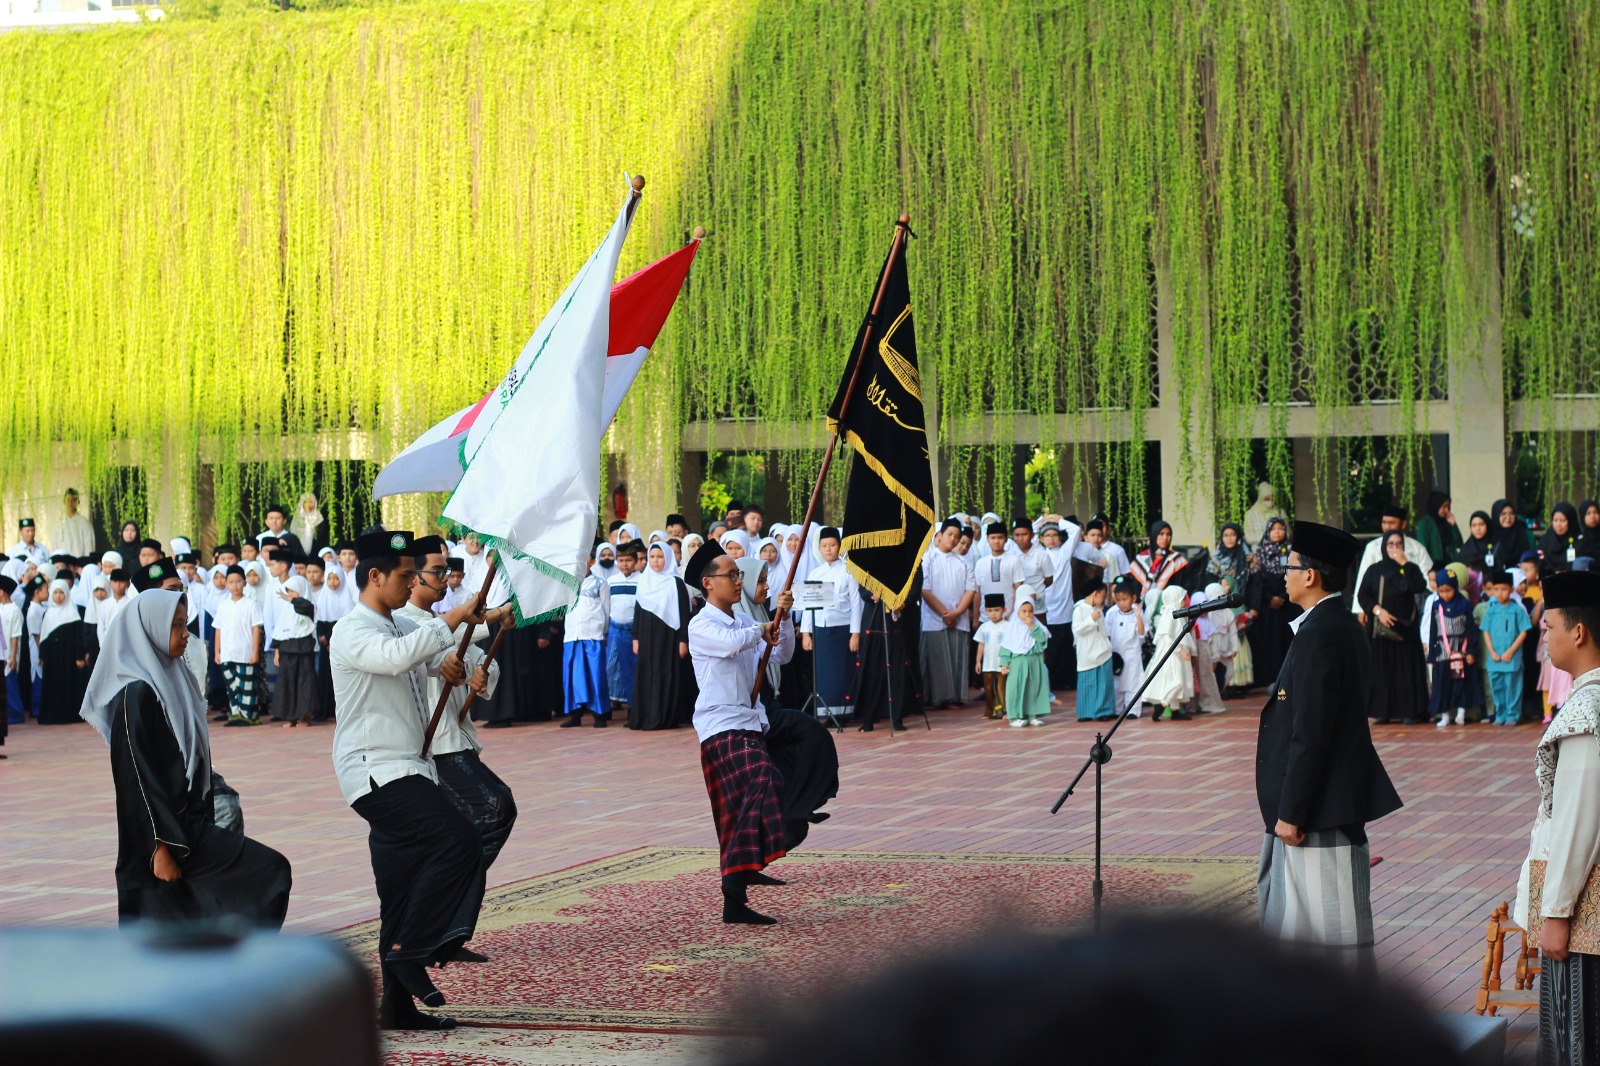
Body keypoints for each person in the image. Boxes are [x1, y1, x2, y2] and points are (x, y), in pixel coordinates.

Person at [329, 528, 487, 1030]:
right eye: (404, 576)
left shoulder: (399, 624)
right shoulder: (352, 629)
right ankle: (411, 949)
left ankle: (396, 1006)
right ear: (375, 576)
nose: (411, 583)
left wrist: (456, 661)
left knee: (401, 885)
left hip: (411, 765)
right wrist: (454, 618)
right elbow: (395, 658)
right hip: (377, 770)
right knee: (459, 839)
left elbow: (429, 657)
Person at [79, 590, 291, 927]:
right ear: (150, 629)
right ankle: (245, 957)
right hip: (166, 835)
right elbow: (135, 777)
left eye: (184, 624)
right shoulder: (137, 693)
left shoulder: (172, 680)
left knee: (187, 918)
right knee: (269, 872)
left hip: (189, 823)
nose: (185, 633)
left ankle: (228, 956)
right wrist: (159, 847)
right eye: (175, 625)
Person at [1255, 520, 1402, 973]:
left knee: (1322, 936)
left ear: (1310, 575)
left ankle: (1339, 1018)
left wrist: (1292, 811)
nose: (1284, 575)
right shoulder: (1337, 624)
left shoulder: (1321, 632)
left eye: (1290, 567)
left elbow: (1312, 731)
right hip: (1328, 799)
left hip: (1317, 808)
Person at [399, 537, 509, 950]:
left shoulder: (441, 619)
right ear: (413, 577)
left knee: (474, 825)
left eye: (446, 571)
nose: (445, 579)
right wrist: (448, 661)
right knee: (493, 808)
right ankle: (438, 909)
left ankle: (446, 920)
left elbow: (477, 657)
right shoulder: (404, 623)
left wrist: (481, 674)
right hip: (432, 747)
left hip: (454, 734)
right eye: (437, 571)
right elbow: (429, 652)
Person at [683, 540, 796, 925]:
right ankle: (740, 870)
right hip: (720, 725)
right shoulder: (702, 624)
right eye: (731, 574)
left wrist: (783, 618)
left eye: (738, 574)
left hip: (748, 721)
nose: (737, 580)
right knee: (764, 778)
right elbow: (731, 645)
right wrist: (763, 627)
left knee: (734, 812)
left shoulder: (744, 621)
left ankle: (737, 891)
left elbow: (781, 654)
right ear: (708, 583)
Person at [1517, 569, 1600, 1065]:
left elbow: (1577, 821)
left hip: (1585, 912)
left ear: (1579, 631)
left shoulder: (1587, 710)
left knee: (1575, 1040)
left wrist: (1556, 914)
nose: (1544, 636)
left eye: (1549, 627)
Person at [1356, 530, 1430, 725]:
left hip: (1406, 629)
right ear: (1384, 547)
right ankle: (1383, 711)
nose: (1395, 548)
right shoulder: (1375, 570)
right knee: (1383, 671)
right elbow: (1363, 595)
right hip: (1382, 629)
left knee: (1406, 671)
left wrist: (1405, 563)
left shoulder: (1409, 567)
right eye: (1391, 544)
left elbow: (1419, 586)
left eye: (1399, 544)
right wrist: (1378, 610)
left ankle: (1410, 712)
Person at [630, 541, 691, 731]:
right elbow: (638, 611)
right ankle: (644, 717)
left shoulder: (676, 583)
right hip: (646, 636)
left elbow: (684, 614)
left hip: (669, 638)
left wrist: (683, 640)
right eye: (652, 557)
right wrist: (635, 637)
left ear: (668, 558)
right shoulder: (644, 581)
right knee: (646, 674)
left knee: (665, 674)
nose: (655, 561)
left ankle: (663, 718)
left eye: (660, 556)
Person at [799, 527, 858, 720]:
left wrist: (855, 633)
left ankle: (845, 712)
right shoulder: (816, 573)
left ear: (839, 546)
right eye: (824, 546)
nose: (828, 549)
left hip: (843, 629)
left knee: (842, 671)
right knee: (824, 672)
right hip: (821, 630)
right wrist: (806, 633)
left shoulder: (849, 571)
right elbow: (808, 605)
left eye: (832, 545)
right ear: (819, 548)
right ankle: (826, 712)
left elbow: (856, 604)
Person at [921, 519, 978, 708]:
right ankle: (938, 699)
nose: (953, 539)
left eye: (957, 536)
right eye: (949, 534)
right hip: (934, 618)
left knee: (957, 658)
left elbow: (970, 590)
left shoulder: (963, 562)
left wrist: (957, 613)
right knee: (938, 660)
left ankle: (957, 697)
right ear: (940, 535)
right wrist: (945, 614)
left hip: (958, 618)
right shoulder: (927, 559)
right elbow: (925, 590)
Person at [561, 545, 612, 728]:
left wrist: (603, 631)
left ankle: (599, 714)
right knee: (572, 676)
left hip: (593, 635)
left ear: (592, 561)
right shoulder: (567, 583)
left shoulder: (600, 583)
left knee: (595, 674)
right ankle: (575, 713)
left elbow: (606, 610)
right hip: (572, 636)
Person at [1351, 507, 1434, 620]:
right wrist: (1361, 609)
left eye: (1391, 523)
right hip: (1379, 612)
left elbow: (1428, 580)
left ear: (1403, 524)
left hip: (1411, 612)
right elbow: (1363, 580)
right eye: (1384, 522)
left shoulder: (1417, 549)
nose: (1386, 527)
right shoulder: (1373, 547)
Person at [1425, 569, 1482, 728]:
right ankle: (1445, 716)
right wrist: (1432, 655)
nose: (1445, 595)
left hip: (1460, 652)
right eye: (1441, 591)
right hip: (1443, 652)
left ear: (1455, 588)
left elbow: (1471, 629)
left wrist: (1471, 650)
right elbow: (1433, 631)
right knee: (1442, 685)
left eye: (1448, 590)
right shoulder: (1436, 606)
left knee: (1461, 684)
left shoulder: (1464, 605)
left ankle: (1460, 714)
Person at [1245, 517, 1295, 687]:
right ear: (1268, 532)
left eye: (1281, 528)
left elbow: (1294, 577)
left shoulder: (1291, 553)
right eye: (1273, 529)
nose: (1277, 532)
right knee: (1269, 642)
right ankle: (1269, 679)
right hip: (1267, 607)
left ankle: (1288, 678)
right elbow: (1256, 583)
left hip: (1287, 604)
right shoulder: (1259, 555)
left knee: (1286, 641)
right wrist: (1270, 598)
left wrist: (1283, 596)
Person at [213, 566, 264, 726]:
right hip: (227, 652)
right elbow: (218, 629)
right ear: (226, 584)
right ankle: (235, 713)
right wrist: (217, 652)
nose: (235, 585)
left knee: (246, 684)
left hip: (245, 651)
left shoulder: (251, 604)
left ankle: (249, 715)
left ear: (244, 583)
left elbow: (256, 629)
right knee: (232, 686)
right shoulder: (223, 605)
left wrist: (255, 652)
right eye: (231, 582)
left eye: (238, 581)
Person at [36, 578, 91, 724]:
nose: (58, 596)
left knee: (68, 684)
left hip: (68, 656)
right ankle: (52, 715)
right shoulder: (47, 614)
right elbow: (43, 637)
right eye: (55, 593)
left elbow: (78, 638)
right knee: (52, 685)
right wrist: (42, 656)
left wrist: (79, 656)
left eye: (61, 592)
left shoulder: (73, 613)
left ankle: (68, 715)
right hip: (52, 657)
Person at [1482, 570, 1533, 726]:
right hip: (1495, 658)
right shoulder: (1491, 610)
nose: (1499, 593)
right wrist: (1492, 652)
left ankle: (1512, 714)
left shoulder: (1517, 609)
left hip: (1512, 657)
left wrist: (1511, 651)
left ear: (1511, 590)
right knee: (1496, 686)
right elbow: (1486, 631)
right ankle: (1501, 713)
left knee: (1512, 686)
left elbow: (1524, 631)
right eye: (1496, 589)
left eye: (1504, 589)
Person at [268, 575, 320, 726]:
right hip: (287, 650)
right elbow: (280, 631)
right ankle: (291, 717)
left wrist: (292, 600)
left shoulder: (308, 606)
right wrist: (277, 651)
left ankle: (305, 717)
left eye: (293, 591)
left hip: (303, 650)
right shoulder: (286, 609)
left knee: (304, 683)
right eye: (288, 592)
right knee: (288, 683)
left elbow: (305, 607)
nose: (290, 595)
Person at [999, 591, 1050, 728]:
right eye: (1024, 611)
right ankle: (1014, 717)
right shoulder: (1012, 627)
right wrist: (1004, 664)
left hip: (1034, 661)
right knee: (1015, 688)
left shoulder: (1036, 625)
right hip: (1017, 662)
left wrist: (1032, 626)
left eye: (1030, 611)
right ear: (1017, 611)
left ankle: (1033, 715)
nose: (1027, 614)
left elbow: (1042, 639)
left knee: (1033, 688)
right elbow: (1006, 646)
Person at [1146, 585, 1195, 721]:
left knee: (1177, 679)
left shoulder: (1178, 615)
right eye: (1182, 599)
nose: (1184, 602)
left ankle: (1175, 710)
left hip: (1176, 653)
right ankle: (1162, 704)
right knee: (1177, 681)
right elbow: (1166, 637)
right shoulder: (1170, 614)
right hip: (1171, 654)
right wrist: (1180, 651)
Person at [605, 540, 641, 716]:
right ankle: (613, 701)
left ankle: (633, 707)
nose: (624, 564)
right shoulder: (611, 581)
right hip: (614, 629)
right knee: (612, 665)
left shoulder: (642, 580)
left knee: (632, 667)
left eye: (628, 560)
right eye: (621, 561)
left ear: (635, 561)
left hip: (633, 631)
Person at [1072, 579, 1115, 721]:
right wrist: (1091, 619)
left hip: (1102, 651)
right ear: (1095, 594)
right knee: (1087, 683)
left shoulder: (1098, 610)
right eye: (1102, 596)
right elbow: (1078, 629)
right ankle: (1086, 713)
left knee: (1104, 683)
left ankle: (1104, 711)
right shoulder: (1079, 609)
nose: (1104, 599)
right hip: (1087, 653)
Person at [1106, 575, 1147, 718]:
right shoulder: (1112, 614)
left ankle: (1133, 710)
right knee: (1117, 684)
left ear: (1133, 598)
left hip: (1132, 655)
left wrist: (1138, 617)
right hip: (1117, 653)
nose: (1122, 603)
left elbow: (1141, 634)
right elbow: (1108, 634)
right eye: (1118, 600)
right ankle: (1117, 710)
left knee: (1132, 683)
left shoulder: (1137, 613)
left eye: (1125, 599)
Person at [1129, 520, 1188, 603]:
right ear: (1154, 535)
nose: (1165, 538)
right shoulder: (1142, 558)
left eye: (1168, 534)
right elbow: (1136, 586)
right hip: (1144, 604)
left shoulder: (1176, 559)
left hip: (1168, 604)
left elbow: (1179, 585)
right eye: (1161, 534)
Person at [973, 523, 1023, 619]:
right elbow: (977, 592)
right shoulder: (981, 563)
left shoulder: (1013, 560)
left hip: (1008, 616)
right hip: (985, 616)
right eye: (993, 538)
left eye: (1000, 538)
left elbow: (1018, 589)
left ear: (1006, 539)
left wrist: (1013, 612)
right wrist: (976, 618)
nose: (996, 541)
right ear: (987, 539)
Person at [973, 594, 1007, 721]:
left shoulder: (1007, 626)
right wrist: (978, 661)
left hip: (1001, 664)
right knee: (988, 688)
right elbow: (981, 644)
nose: (993, 614)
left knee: (1001, 688)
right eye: (990, 610)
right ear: (985, 611)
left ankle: (1005, 710)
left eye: (997, 610)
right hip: (987, 664)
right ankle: (990, 711)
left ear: (1004, 610)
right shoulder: (984, 627)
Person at [1412, 491, 1461, 567]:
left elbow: (1459, 544)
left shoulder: (1447, 522)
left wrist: (1453, 525)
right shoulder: (1424, 523)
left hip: (1450, 565)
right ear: (1436, 505)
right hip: (1434, 567)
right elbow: (1422, 548)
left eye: (1448, 507)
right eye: (1444, 507)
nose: (1446, 510)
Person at [1489, 499, 1536, 573]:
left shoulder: (1526, 534)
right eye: (1503, 514)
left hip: (1523, 576)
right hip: (1495, 578)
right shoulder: (1489, 535)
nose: (1508, 517)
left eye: (1511, 513)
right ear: (1496, 515)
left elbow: (1534, 559)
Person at [54, 488, 96, 559]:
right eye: (68, 500)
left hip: (79, 562)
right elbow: (56, 546)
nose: (70, 503)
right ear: (64, 501)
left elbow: (89, 548)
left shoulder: (85, 524)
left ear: (78, 502)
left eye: (73, 500)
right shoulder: (59, 524)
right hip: (63, 562)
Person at [1542, 502, 1582, 573]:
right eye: (1555, 520)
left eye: (1563, 521)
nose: (1558, 525)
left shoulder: (1580, 541)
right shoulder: (1546, 540)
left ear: (1571, 521)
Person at [1242, 482, 1277, 546]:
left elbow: (1287, 533)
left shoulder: (1279, 512)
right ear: (1261, 498)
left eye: (1272, 499)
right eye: (1267, 499)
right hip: (1257, 549)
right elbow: (1248, 537)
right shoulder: (1251, 514)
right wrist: (1269, 538)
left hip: (1279, 548)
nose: (1270, 502)